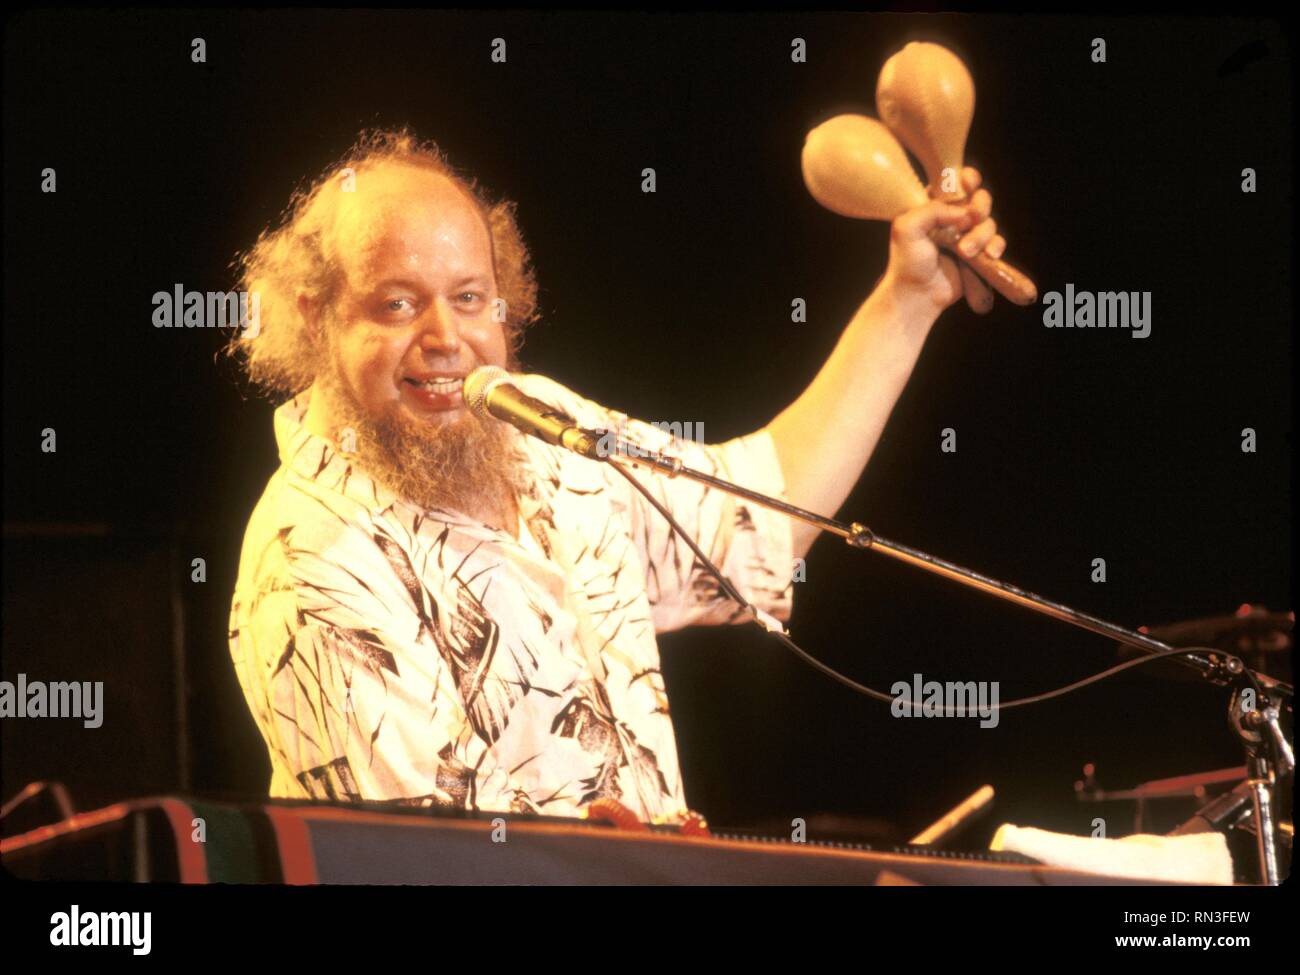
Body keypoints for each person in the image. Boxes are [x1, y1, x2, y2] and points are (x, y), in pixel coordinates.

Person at [226, 128, 1007, 823]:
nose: (446, 338)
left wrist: (912, 297)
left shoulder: (540, 428)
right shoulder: (311, 555)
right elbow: (431, 864)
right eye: (397, 305)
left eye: (470, 298)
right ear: (316, 315)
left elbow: (758, 519)